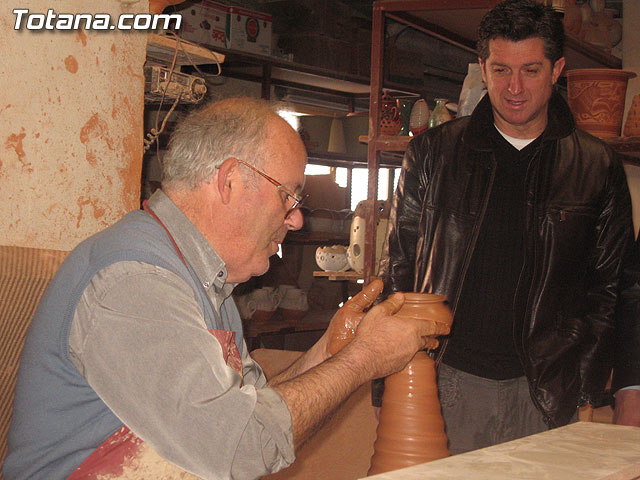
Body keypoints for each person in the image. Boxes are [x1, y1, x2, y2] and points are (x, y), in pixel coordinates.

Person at [4, 98, 449, 479]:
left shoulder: (205, 280)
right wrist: (363, 360)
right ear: (230, 180)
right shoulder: (136, 282)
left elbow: (251, 410)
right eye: (289, 196)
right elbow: (238, 448)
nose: (296, 219)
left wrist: (332, 349)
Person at [381, 0, 640, 455]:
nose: (514, 88)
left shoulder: (597, 166)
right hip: (448, 384)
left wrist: (594, 387)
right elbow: (397, 272)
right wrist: (386, 382)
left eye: (531, 70)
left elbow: (612, 290)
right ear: (482, 67)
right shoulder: (433, 155)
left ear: (557, 69)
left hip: (548, 392)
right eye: (500, 70)